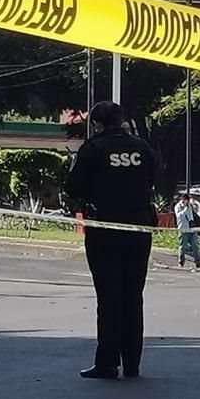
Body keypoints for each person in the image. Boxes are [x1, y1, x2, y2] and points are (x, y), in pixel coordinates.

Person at [64, 101, 158, 379]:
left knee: (109, 297)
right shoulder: (142, 148)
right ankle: (132, 363)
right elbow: (154, 177)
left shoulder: (93, 149)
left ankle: (107, 362)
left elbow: (73, 186)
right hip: (139, 229)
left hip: (104, 229)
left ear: (96, 124)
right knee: (132, 295)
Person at [174, 194, 200, 269]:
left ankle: (198, 262)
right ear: (183, 200)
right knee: (183, 247)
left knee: (195, 245)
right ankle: (181, 262)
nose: (187, 202)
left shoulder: (190, 206)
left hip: (192, 229)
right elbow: (179, 216)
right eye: (186, 200)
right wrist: (185, 209)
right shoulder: (178, 207)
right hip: (183, 229)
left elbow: (195, 212)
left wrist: (194, 206)